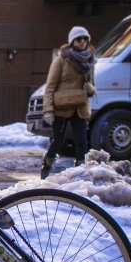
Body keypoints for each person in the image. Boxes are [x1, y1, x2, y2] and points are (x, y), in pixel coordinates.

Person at [40, 26, 97, 179]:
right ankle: (47, 164)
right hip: (61, 107)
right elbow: (50, 86)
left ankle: (79, 173)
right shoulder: (61, 60)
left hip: (80, 106)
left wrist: (91, 89)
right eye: (79, 39)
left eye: (85, 38)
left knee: (82, 142)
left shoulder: (90, 60)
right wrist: (48, 110)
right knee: (59, 141)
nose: (83, 41)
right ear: (72, 41)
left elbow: (92, 85)